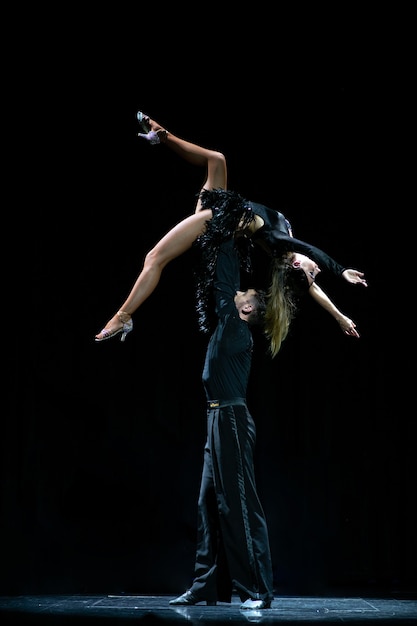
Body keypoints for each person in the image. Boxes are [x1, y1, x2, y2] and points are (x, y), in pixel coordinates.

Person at [95, 111, 367, 356]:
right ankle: (159, 135)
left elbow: (312, 255)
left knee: (155, 257)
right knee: (216, 159)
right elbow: (313, 287)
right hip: (222, 204)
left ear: (297, 264)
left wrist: (340, 270)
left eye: (313, 271)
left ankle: (124, 315)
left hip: (216, 221)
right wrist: (339, 316)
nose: (316, 271)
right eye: (316, 272)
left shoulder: (280, 243)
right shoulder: (288, 255)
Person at [169, 235, 274, 610]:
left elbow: (224, 281)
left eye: (244, 293)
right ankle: (206, 586)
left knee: (239, 507)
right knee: (208, 504)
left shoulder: (234, 326)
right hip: (216, 418)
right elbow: (226, 286)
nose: (238, 293)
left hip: (230, 417)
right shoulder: (230, 326)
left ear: (246, 309)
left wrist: (227, 238)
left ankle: (256, 590)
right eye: (241, 290)